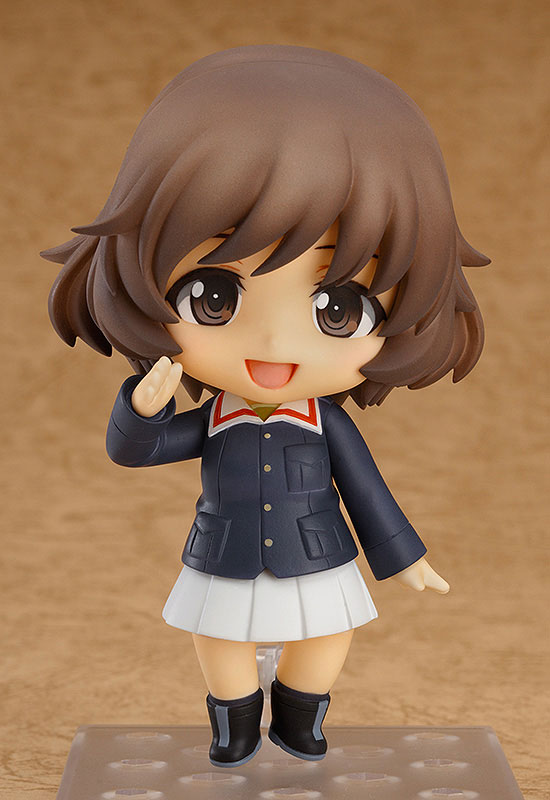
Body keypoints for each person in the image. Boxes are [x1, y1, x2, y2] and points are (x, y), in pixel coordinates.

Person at [42, 45, 489, 768]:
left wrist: (403, 558)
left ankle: (300, 720)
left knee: (328, 634)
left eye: (338, 307)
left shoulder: (325, 424)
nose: (276, 342)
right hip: (223, 554)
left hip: (318, 554)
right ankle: (235, 727)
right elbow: (136, 450)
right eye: (213, 296)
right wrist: (142, 410)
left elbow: (368, 493)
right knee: (218, 638)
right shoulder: (214, 422)